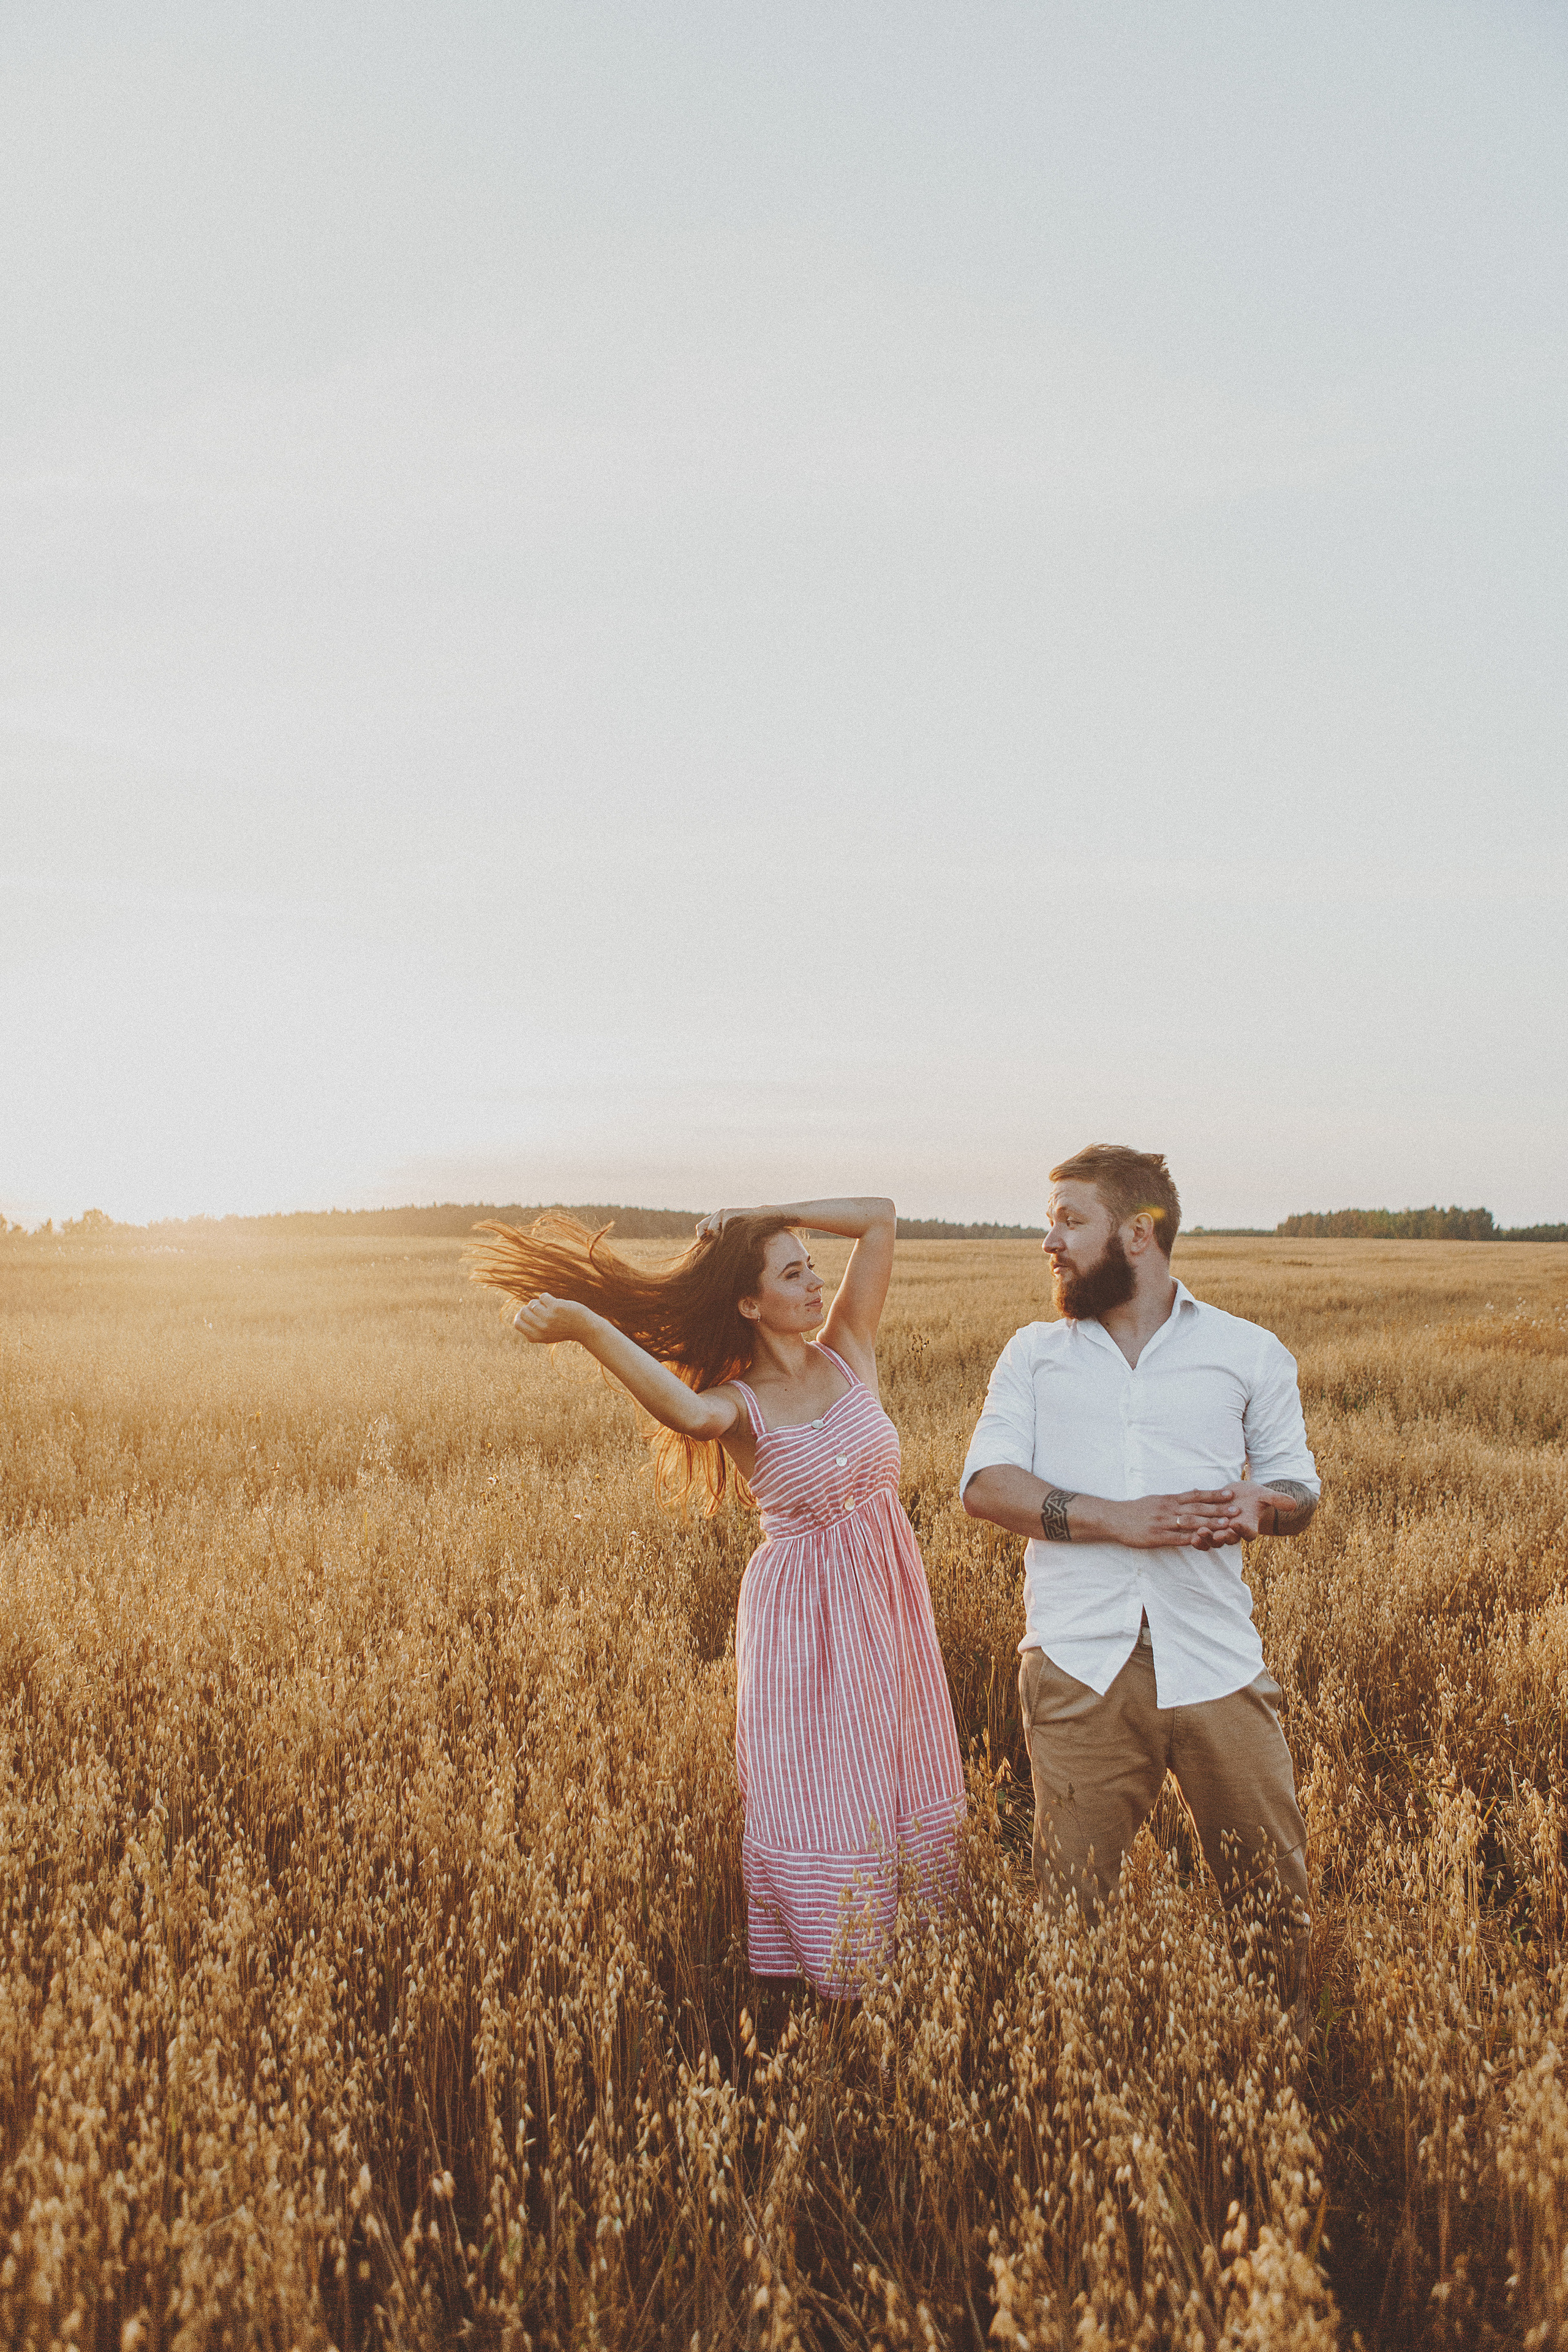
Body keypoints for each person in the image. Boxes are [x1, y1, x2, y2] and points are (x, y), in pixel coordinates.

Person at [470, 1196, 965, 1996]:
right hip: (799, 1623)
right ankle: (840, 1981)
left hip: (886, 1605)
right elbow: (685, 1411)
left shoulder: (848, 1351)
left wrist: (768, 1212)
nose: (815, 1283)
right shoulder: (740, 1405)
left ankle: (920, 1971)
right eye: (793, 1273)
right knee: (823, 1793)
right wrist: (591, 1326)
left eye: (813, 1268)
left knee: (900, 1770)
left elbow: (880, 1218)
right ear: (750, 1302)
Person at [960, 1144, 1319, 1966]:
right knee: (1070, 1922)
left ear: (1138, 1233)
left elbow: (1299, 1488)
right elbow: (984, 1485)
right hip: (1079, 1666)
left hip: (1217, 1661)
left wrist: (1260, 1505)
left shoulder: (1247, 1351)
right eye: (1049, 1221)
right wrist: (1119, 1520)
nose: (1049, 1241)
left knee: (1273, 1912)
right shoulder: (1034, 1355)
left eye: (1070, 1220)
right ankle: (1069, 2079)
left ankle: (1275, 2072)